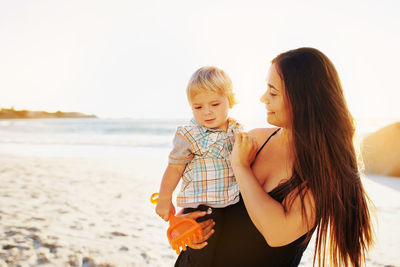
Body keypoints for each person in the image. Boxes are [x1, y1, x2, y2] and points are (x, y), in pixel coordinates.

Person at [176, 47, 374, 267]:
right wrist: (182, 224)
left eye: (273, 92)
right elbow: (201, 187)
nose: (263, 99)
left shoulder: (324, 173)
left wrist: (241, 167)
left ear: (303, 100)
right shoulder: (253, 141)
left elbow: (276, 233)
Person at [155, 66, 243, 266]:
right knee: (200, 253)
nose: (207, 112)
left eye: (214, 104)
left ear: (230, 100)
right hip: (199, 207)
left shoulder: (237, 131)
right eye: (198, 107)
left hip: (231, 205)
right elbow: (175, 167)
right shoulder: (190, 135)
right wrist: (165, 197)